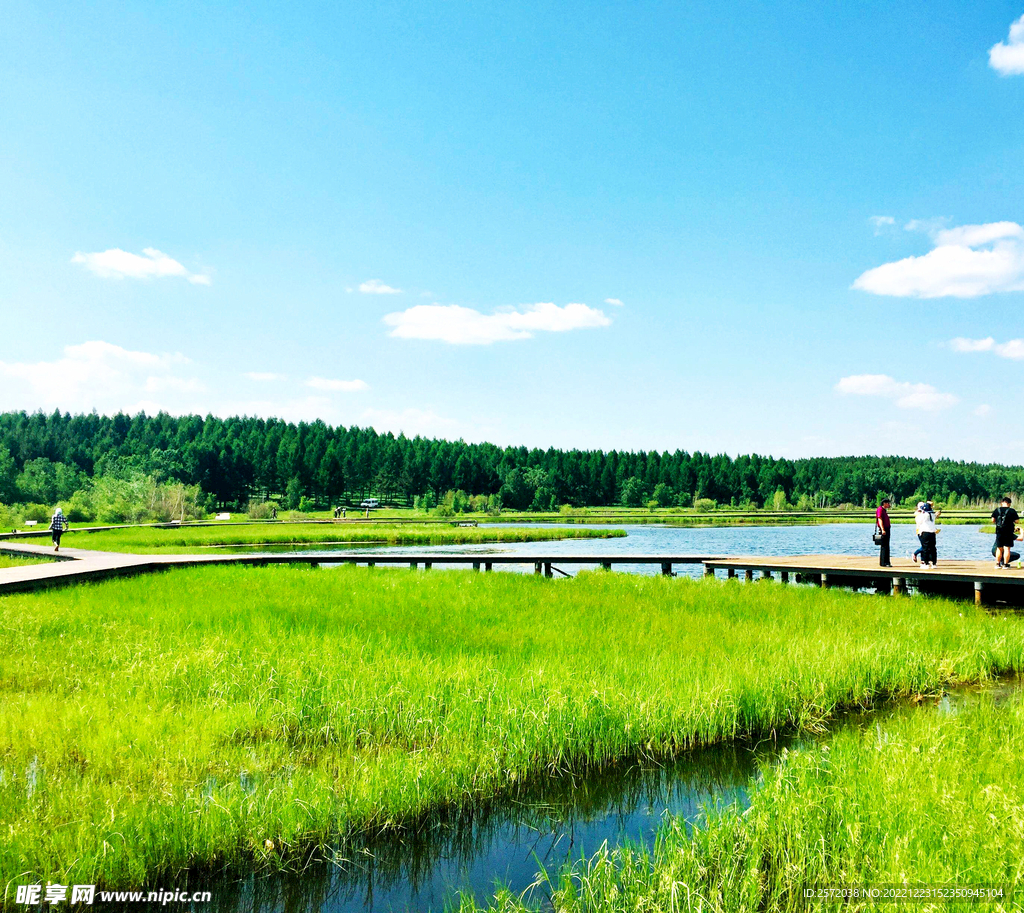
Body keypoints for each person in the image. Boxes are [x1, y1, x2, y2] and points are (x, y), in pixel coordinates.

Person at [992, 496, 1020, 569]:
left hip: (999, 531)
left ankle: (997, 564)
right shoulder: (1012, 511)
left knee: (999, 548)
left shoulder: (996, 510)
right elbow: (1017, 521)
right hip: (1008, 532)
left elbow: (993, 520)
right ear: (1009, 504)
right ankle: (1005, 564)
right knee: (1007, 548)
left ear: (1002, 503)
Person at [915, 501, 938, 568]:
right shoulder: (932, 515)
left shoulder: (923, 515)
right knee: (933, 548)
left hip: (925, 532)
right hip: (932, 533)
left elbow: (918, 521)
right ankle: (934, 563)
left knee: (925, 549)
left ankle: (925, 563)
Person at [875, 497, 892, 567]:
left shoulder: (884, 510)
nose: (889, 505)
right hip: (884, 529)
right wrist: (883, 529)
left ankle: (887, 561)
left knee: (886, 545)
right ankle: (883, 562)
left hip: (887, 529)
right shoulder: (880, 510)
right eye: (888, 503)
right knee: (884, 546)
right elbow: (880, 519)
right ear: (884, 503)